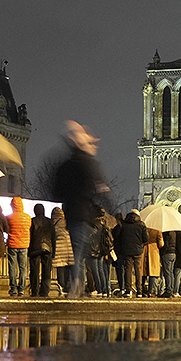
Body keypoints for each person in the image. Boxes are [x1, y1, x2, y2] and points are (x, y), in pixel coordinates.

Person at [53, 121, 110, 299]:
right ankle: (78, 285)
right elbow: (99, 187)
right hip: (84, 214)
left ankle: (76, 284)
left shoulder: (67, 165)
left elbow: (56, 189)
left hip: (72, 213)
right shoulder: (87, 163)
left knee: (77, 253)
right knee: (79, 253)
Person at [115, 209, 148, 297]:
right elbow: (146, 239)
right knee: (138, 270)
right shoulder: (141, 224)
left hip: (126, 250)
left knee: (128, 270)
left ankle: (128, 290)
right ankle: (139, 291)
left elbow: (119, 236)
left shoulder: (124, 225)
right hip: (138, 251)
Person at [29, 203, 56, 297]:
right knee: (47, 272)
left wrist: (29, 250)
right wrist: (53, 252)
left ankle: (34, 291)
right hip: (47, 248)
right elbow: (53, 237)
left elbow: (31, 236)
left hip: (35, 249)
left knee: (35, 272)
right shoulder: (49, 222)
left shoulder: (33, 221)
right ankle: (44, 292)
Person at [6, 197, 31, 297]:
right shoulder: (28, 217)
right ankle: (21, 289)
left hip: (12, 244)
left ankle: (13, 288)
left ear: (12, 206)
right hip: (24, 245)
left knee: (12, 267)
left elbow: (6, 229)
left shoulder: (9, 218)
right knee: (23, 268)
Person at [51, 206, 75, 294]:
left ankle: (61, 285)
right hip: (68, 248)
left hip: (59, 248)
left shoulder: (53, 223)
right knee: (68, 268)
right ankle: (68, 286)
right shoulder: (66, 222)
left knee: (60, 268)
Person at [142, 227, 164, 297]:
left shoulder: (145, 229)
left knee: (143, 272)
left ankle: (141, 289)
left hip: (144, 251)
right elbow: (161, 244)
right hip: (154, 252)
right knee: (153, 272)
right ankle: (150, 290)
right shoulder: (157, 230)